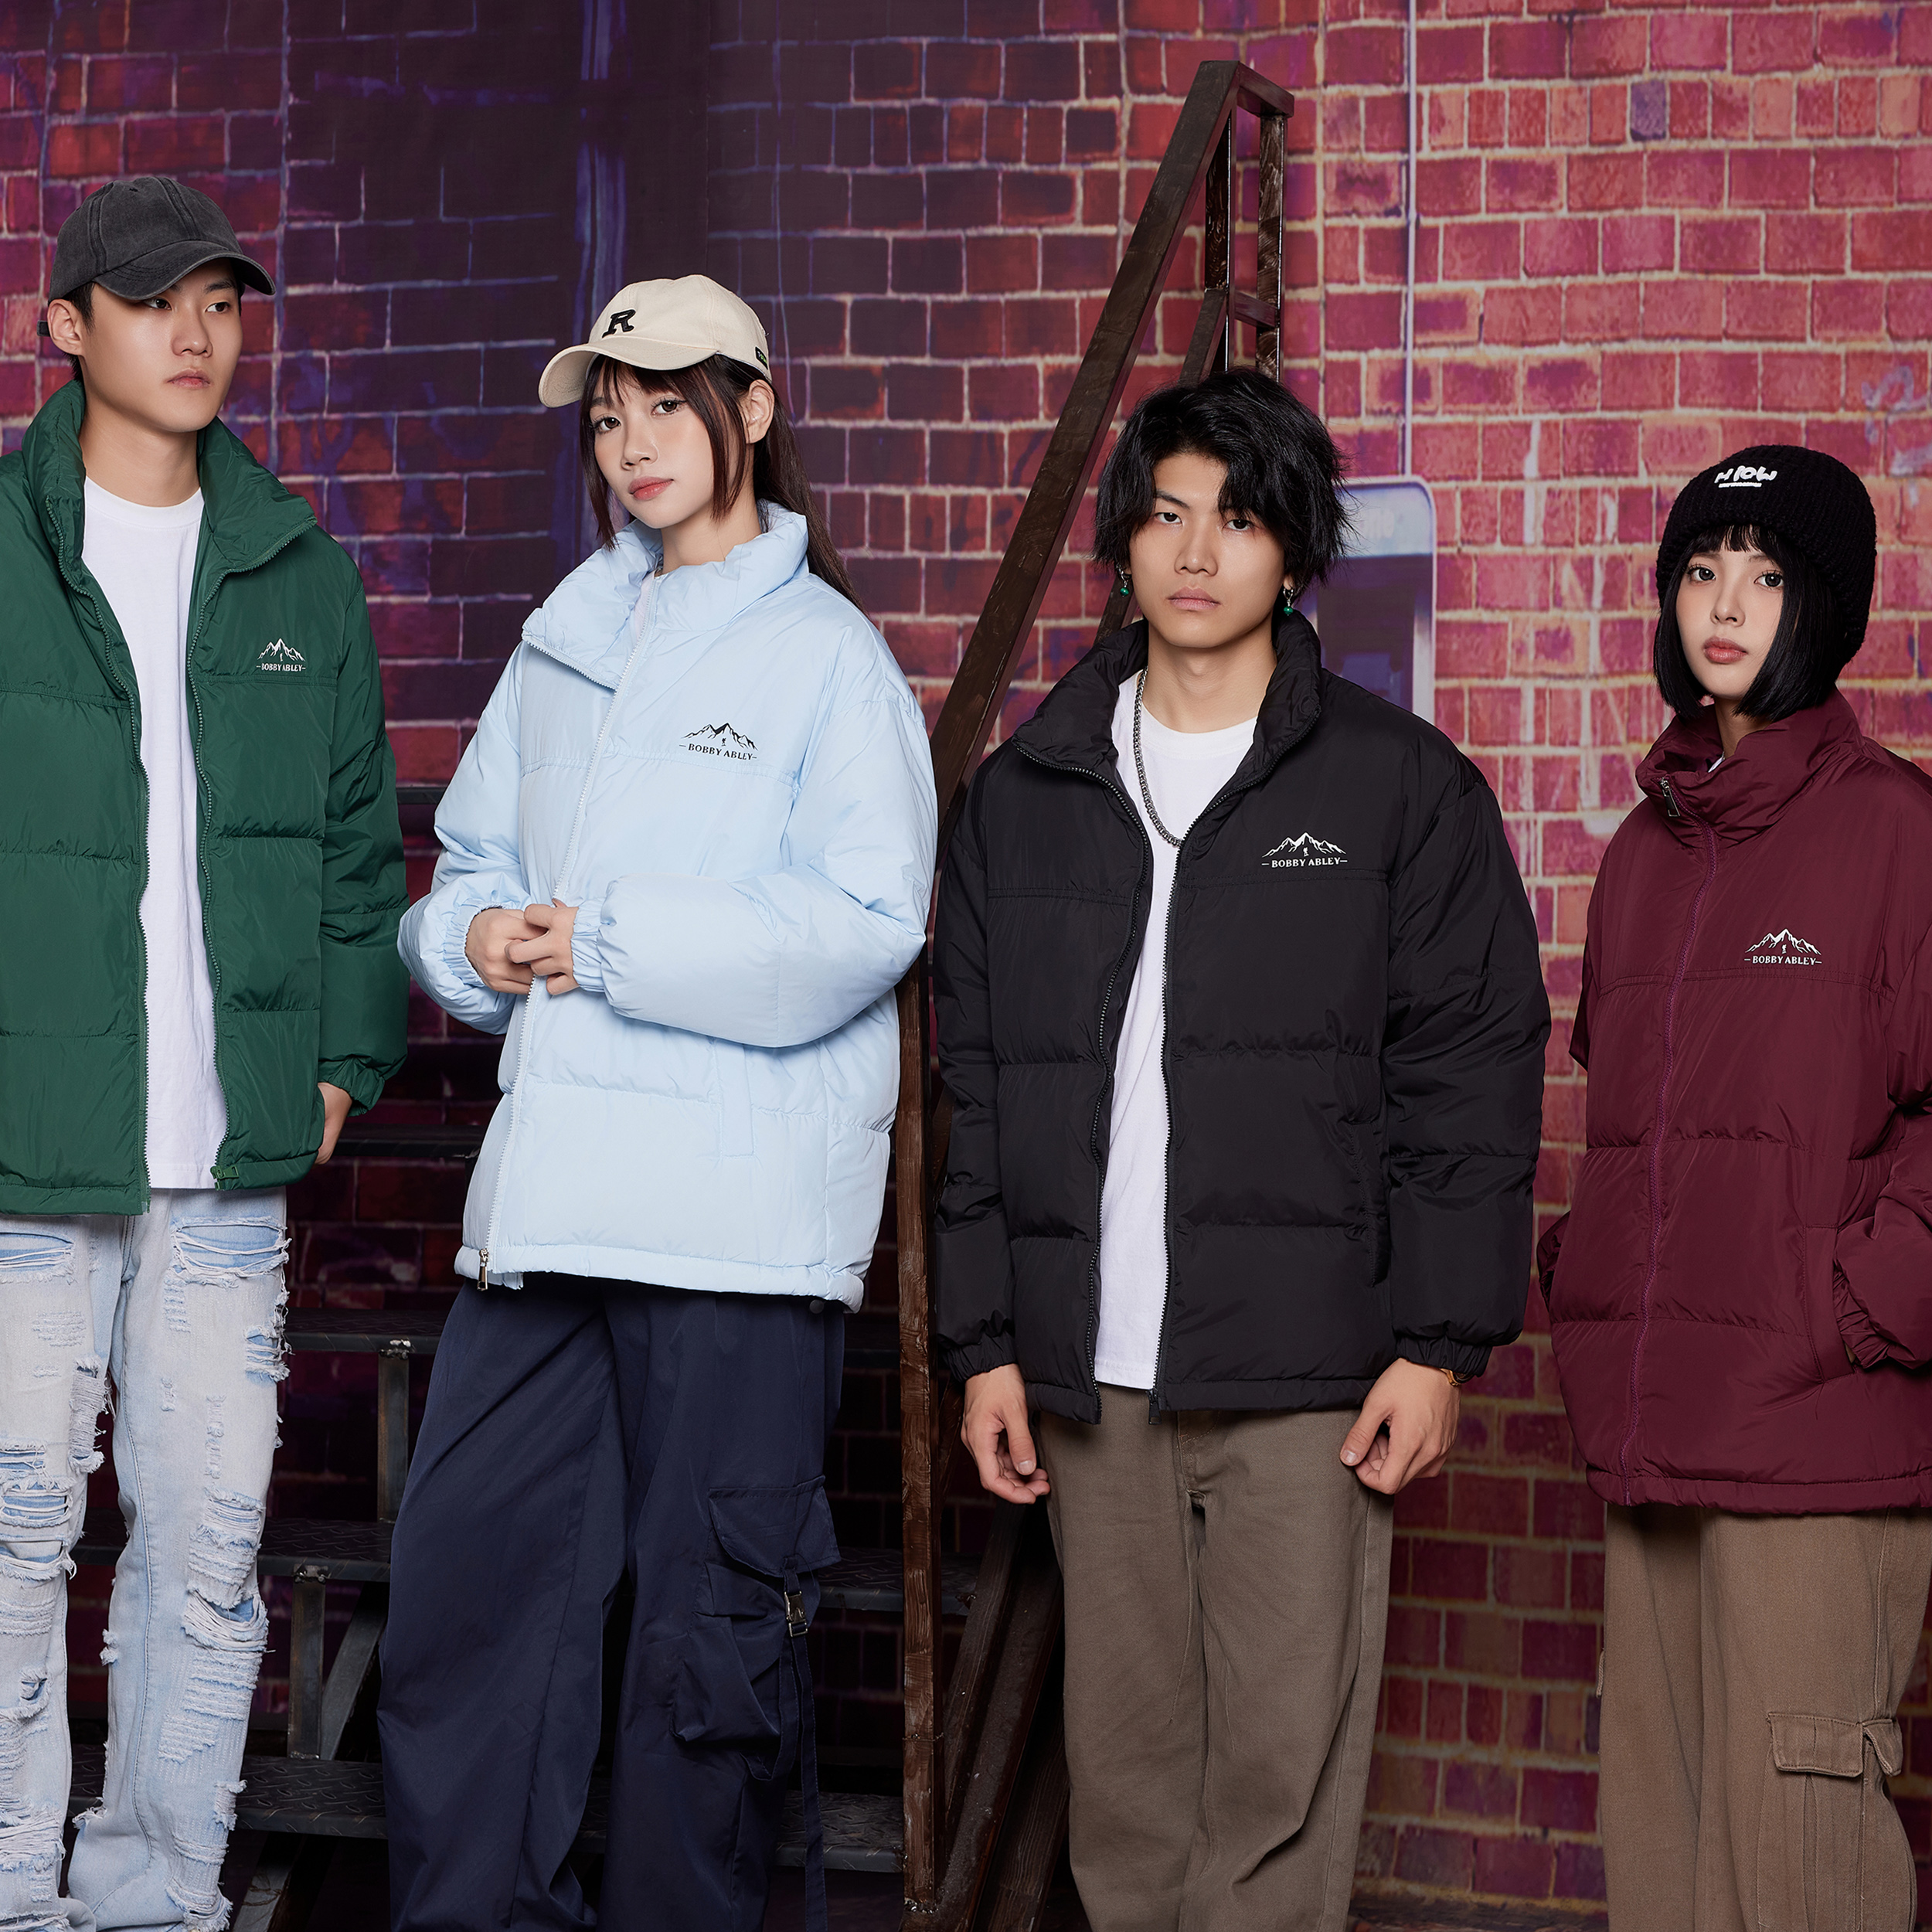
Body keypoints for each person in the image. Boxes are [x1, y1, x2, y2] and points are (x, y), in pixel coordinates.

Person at [931, 369, 1548, 1932]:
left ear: (1294, 550)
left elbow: (1469, 1071)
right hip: (1093, 1372)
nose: (1196, 552)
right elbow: (978, 1091)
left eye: (1240, 517)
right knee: (1127, 1787)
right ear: (1123, 542)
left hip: (1308, 1374)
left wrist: (1436, 1344)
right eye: (1164, 515)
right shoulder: (1023, 798)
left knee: (1276, 1790)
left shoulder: (1398, 788)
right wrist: (986, 1343)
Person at [380, 274, 937, 1932]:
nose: (631, 441)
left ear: (751, 408)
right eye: (608, 415)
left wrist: (609, 940)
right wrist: (471, 939)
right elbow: (468, 866)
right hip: (551, 1214)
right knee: (469, 1617)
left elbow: (867, 924)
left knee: (708, 1664)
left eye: (665, 404)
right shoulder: (565, 639)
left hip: (734, 1238)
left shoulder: (828, 659)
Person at [0, 175, 406, 1930]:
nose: (196, 333)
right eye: (155, 300)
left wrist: (341, 1064)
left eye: (222, 302)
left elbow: (357, 851)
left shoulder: (296, 568)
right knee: (13, 1548)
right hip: (26, 1148)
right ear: (64, 325)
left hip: (226, 1162)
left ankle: (159, 1899)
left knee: (207, 1560)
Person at [1540, 447, 1931, 1932]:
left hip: (1818, 1434)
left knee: (1796, 1873)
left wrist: (1849, 1305)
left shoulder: (1899, 832)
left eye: (1766, 577)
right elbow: (1639, 1130)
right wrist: (1592, 1276)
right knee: (1661, 1857)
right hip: (1658, 1428)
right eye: (1701, 570)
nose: (1724, 605)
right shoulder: (1643, 854)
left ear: (1823, 609)